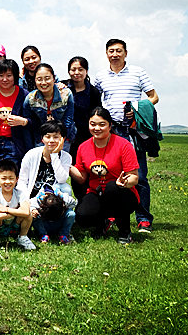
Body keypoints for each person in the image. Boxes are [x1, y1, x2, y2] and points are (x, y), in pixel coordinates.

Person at [93, 39, 159, 233]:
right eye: (111, 51)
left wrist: (137, 109)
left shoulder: (138, 72)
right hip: (111, 130)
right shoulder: (100, 76)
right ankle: (111, 216)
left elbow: (154, 97)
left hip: (133, 130)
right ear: (106, 54)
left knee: (139, 175)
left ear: (126, 53)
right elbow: (94, 97)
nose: (114, 54)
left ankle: (143, 219)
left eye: (118, 51)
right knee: (111, 174)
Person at [69, 107, 140, 244]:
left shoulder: (123, 145)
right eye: (93, 124)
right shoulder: (83, 147)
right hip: (97, 192)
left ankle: (125, 231)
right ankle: (102, 223)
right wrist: (66, 165)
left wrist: (124, 183)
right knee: (83, 217)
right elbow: (82, 178)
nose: (97, 128)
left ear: (110, 125)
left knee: (112, 188)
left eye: (102, 124)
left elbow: (134, 178)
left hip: (122, 193)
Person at [18, 121, 76, 244]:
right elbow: (22, 181)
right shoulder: (31, 155)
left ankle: (63, 230)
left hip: (53, 199)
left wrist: (54, 155)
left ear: (62, 139)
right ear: (42, 138)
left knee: (65, 188)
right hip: (35, 200)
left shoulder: (66, 157)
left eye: (56, 137)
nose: (51, 141)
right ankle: (41, 231)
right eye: (48, 136)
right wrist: (27, 202)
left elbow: (62, 179)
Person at [0, 59, 34, 175]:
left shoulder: (24, 94)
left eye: (9, 75)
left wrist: (23, 121)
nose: (5, 79)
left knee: (11, 178)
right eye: (1, 75)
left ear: (15, 76)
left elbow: (34, 121)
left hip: (15, 145)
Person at [63, 55, 102, 201]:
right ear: (69, 71)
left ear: (86, 71)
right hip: (68, 137)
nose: (76, 73)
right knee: (74, 170)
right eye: (73, 69)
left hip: (87, 137)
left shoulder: (93, 92)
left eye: (80, 69)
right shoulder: (63, 87)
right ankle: (80, 201)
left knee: (88, 170)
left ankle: (90, 200)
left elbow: (97, 114)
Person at [0, 159, 36, 251]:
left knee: (29, 215)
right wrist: (18, 211)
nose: (7, 182)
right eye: (4, 178)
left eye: (11, 178)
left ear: (17, 179)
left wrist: (5, 209)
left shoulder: (20, 194)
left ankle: (22, 237)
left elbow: (26, 212)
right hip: (0, 226)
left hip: (15, 225)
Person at [23, 63, 76, 145]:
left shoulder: (66, 94)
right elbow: (29, 122)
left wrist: (62, 139)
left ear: (54, 79)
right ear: (35, 80)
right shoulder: (30, 98)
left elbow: (68, 120)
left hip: (63, 138)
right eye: (39, 79)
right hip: (41, 139)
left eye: (47, 78)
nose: (43, 83)